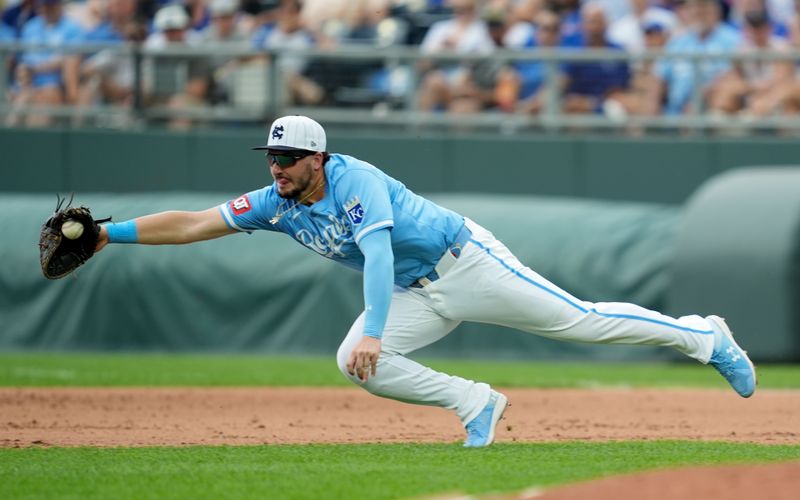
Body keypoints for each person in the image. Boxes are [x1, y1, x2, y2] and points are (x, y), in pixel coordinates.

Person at [94, 115, 757, 447]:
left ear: (318, 157)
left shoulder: (355, 179)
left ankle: (705, 337)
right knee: (354, 363)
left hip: (465, 263)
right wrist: (107, 234)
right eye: (272, 157)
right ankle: (475, 404)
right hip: (419, 293)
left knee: (581, 322)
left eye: (289, 158)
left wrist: (377, 330)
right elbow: (191, 224)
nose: (278, 167)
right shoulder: (275, 201)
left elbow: (377, 256)